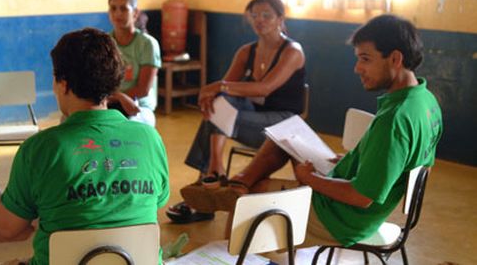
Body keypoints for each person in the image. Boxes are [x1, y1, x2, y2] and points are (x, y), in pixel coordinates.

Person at [181, 14, 443, 247]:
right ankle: (239, 184)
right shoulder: (425, 102)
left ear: (395, 58)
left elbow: (362, 196)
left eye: (365, 59)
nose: (357, 68)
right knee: (280, 141)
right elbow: (417, 165)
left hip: (341, 219)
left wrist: (311, 180)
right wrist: (357, 162)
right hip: (356, 209)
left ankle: (237, 216)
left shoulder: (395, 119)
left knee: (246, 204)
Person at [0, 28, 170, 264]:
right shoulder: (150, 139)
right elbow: (156, 202)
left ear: (63, 84)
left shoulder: (40, 148)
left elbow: (6, 227)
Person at [167, 0, 306, 223]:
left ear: (280, 18)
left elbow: (264, 88)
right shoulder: (246, 51)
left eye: (266, 15)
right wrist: (213, 94)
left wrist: (218, 87)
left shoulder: (293, 51)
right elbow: (222, 95)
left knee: (218, 110)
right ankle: (213, 174)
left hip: (283, 125)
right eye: (254, 15)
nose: (259, 20)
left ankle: (208, 184)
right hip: (249, 119)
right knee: (219, 105)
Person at [107, 0, 161, 127]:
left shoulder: (147, 44)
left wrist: (118, 97)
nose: (118, 13)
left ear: (135, 13)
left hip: (139, 107)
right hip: (109, 103)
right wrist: (115, 98)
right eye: (113, 8)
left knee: (126, 126)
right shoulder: (105, 42)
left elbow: (143, 90)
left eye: (124, 9)